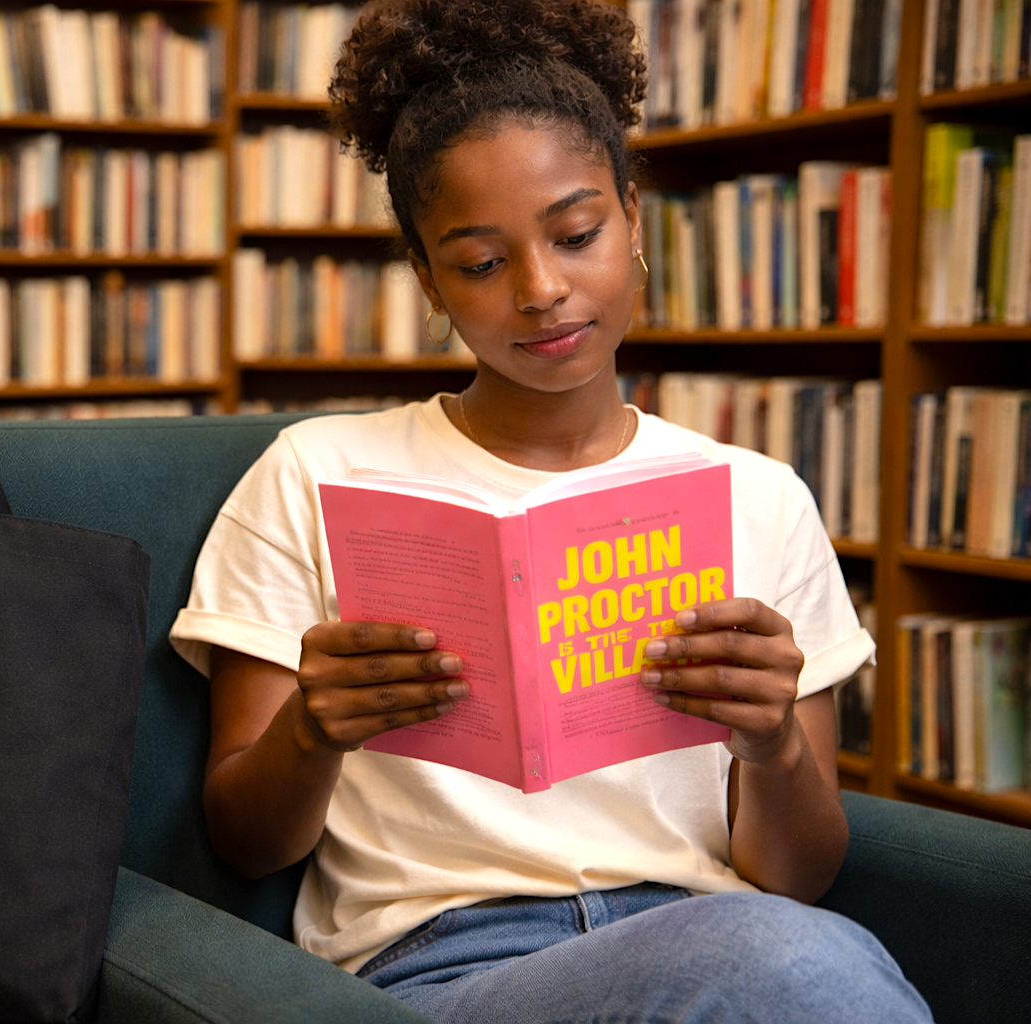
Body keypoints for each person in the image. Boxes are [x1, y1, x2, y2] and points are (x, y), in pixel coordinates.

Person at [169, 0, 933, 1020]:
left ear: (631, 213)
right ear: (426, 275)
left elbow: (797, 872)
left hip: (713, 940)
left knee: (794, 957)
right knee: (801, 967)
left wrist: (773, 748)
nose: (541, 290)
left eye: (576, 233)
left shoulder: (757, 496)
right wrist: (314, 730)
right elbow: (246, 841)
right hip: (445, 968)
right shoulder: (315, 473)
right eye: (481, 263)